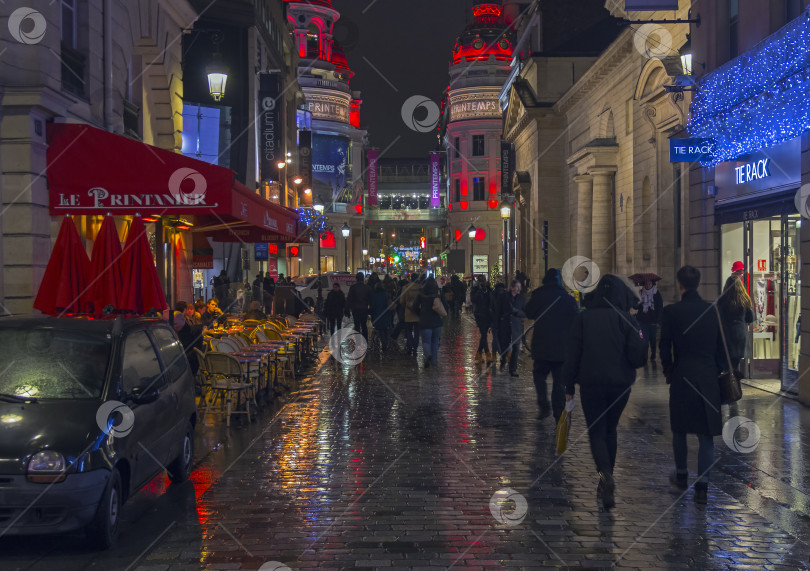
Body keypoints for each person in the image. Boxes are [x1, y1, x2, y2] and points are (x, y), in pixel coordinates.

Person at [563, 274, 647, 510]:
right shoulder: (627, 320)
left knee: (596, 430)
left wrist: (568, 385)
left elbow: (573, 354)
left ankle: (605, 475)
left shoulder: (584, 318)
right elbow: (638, 357)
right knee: (611, 429)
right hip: (620, 385)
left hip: (591, 383)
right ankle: (607, 476)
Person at [659, 265, 724, 504]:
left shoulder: (672, 312)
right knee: (706, 435)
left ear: (680, 284)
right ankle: (703, 486)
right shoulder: (711, 311)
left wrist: (668, 369)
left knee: (680, 429)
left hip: (683, 375)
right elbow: (719, 347)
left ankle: (683, 475)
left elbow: (664, 344)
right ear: (698, 283)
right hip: (707, 378)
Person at [525, 268, 579, 422]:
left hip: (542, 346)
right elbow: (576, 319)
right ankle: (558, 410)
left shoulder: (539, 295)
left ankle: (544, 406)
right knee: (559, 381)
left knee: (539, 376)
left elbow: (529, 312)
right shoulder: (567, 298)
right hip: (561, 348)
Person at [718, 275, 754, 372]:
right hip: (740, 334)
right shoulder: (745, 299)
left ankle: (730, 383)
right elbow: (750, 318)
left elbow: (718, 318)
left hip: (726, 334)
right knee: (736, 362)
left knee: (726, 364)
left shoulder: (722, 301)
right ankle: (735, 383)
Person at [494, 279, 527, 376]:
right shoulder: (503, 297)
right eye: (517, 287)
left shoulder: (521, 298)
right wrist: (496, 326)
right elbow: (497, 311)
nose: (519, 289)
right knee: (504, 346)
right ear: (512, 287)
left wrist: (516, 311)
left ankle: (513, 369)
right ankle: (503, 360)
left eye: (520, 287)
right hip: (505, 325)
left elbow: (525, 312)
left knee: (516, 347)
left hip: (516, 326)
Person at [413, 277, 444, 368]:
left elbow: (415, 307)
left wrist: (420, 314)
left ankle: (428, 355)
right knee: (435, 342)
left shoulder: (420, 294)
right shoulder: (438, 293)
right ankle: (434, 362)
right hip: (437, 321)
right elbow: (445, 305)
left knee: (426, 341)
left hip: (425, 320)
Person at [637, 279, 663, 361]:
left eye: (649, 283)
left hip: (653, 321)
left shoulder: (656, 293)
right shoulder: (640, 293)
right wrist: (638, 301)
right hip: (643, 320)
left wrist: (658, 320)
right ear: (644, 284)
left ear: (652, 284)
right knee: (644, 339)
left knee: (653, 338)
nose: (648, 285)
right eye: (646, 283)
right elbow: (635, 306)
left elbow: (660, 307)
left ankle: (653, 354)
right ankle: (645, 354)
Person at [470, 276, 494, 363]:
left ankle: (479, 354)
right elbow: (473, 299)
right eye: (481, 281)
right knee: (484, 334)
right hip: (479, 315)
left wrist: (489, 288)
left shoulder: (488, 289)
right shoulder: (475, 289)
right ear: (478, 282)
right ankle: (488, 354)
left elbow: (492, 300)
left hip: (488, 315)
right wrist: (479, 290)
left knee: (484, 335)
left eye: (484, 280)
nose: (483, 282)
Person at [399, 274, 421, 355]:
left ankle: (410, 345)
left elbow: (401, 301)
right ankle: (415, 348)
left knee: (408, 330)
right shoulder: (420, 288)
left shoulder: (405, 287)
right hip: (418, 312)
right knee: (417, 332)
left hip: (408, 312)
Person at [346, 272, 371, 341]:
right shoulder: (367, 287)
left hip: (356, 309)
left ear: (356, 279)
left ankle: (357, 340)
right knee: (364, 325)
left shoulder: (353, 287)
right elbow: (370, 299)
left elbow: (349, 299)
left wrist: (347, 309)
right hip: (364, 308)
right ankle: (365, 339)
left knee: (357, 325)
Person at [370, 281, 393, 351]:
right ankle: (386, 341)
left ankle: (384, 343)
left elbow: (373, 306)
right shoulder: (386, 294)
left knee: (381, 330)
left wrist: (370, 312)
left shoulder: (374, 295)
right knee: (385, 329)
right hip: (386, 313)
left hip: (378, 314)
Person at [490, 282, 506, 359]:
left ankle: (494, 353)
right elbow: (492, 309)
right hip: (495, 321)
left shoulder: (504, 297)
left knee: (497, 338)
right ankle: (501, 354)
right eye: (500, 290)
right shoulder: (494, 297)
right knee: (496, 337)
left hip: (502, 321)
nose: (501, 291)